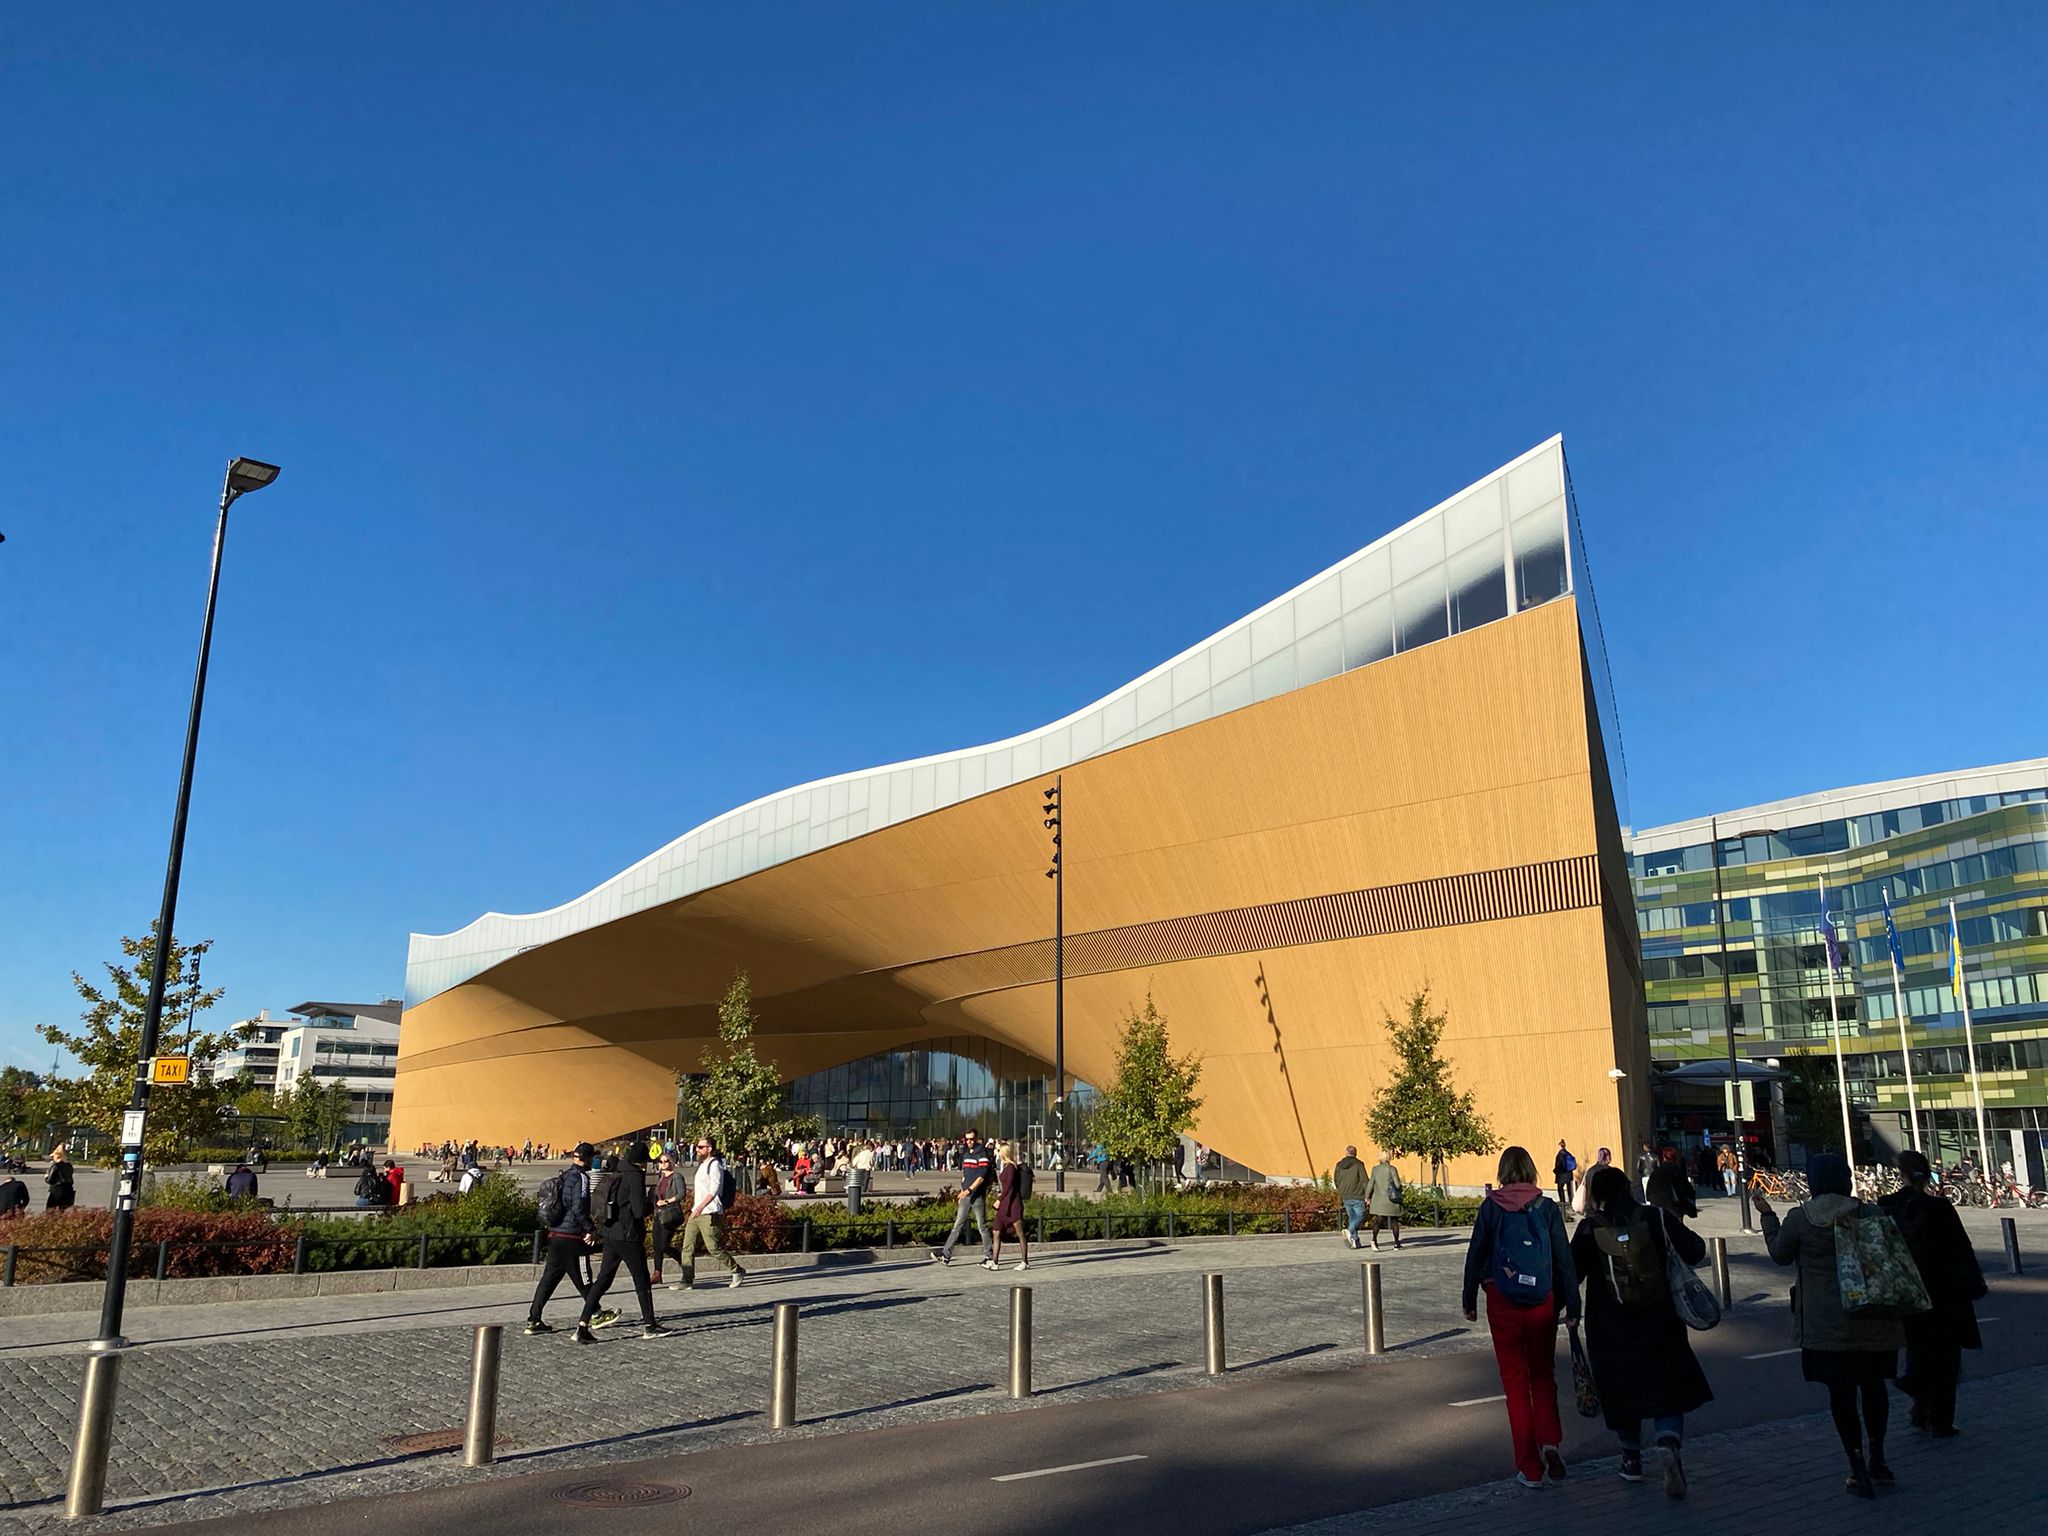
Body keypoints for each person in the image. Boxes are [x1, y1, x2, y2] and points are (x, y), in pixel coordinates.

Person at [1756, 1154, 1905, 1498]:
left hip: (1827, 1324)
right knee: (1874, 1388)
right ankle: (1879, 1458)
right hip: (1873, 1318)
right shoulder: (1871, 1214)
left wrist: (1767, 1215)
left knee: (1841, 1396)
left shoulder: (1802, 1219)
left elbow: (1779, 1254)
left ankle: (1856, 1466)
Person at [1570, 1163, 1712, 1496]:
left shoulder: (1590, 1228)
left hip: (1610, 1326)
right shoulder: (1656, 1218)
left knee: (1620, 1389)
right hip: (1660, 1319)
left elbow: (1572, 1273)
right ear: (1628, 1187)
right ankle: (1668, 1443)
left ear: (1597, 1196)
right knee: (1666, 1386)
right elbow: (1696, 1250)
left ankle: (1631, 1458)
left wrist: (1567, 1311)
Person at [1461, 1146, 1579, 1489]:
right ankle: (1550, 1442)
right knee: (1543, 1374)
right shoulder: (1546, 1207)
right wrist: (1572, 1304)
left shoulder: (1491, 1207)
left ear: (1502, 1172)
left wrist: (1469, 1298)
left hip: (1501, 1297)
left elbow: (1475, 1253)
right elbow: (1563, 1258)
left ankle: (1530, 1467)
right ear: (1530, 1170)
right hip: (1542, 1298)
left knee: (1515, 1382)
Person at [1878, 1150, 1985, 1437]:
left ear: (1900, 1174)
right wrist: (1973, 1283)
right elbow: (1961, 1248)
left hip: (1907, 1293)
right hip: (1945, 1293)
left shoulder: (1887, 1206)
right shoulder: (1941, 1208)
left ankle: (1918, 1399)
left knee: (1918, 1350)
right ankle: (1939, 1419)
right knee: (1946, 1358)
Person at [526, 1143, 620, 1336]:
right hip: (572, 1237)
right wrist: (590, 1229)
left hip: (556, 1235)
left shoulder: (564, 1176)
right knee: (584, 1278)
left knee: (548, 1280)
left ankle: (533, 1319)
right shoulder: (581, 1178)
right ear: (588, 1158)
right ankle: (596, 1314)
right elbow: (578, 1208)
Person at [577, 1141, 667, 1341]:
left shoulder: (617, 1171)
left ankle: (582, 1325)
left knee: (603, 1280)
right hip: (628, 1235)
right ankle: (650, 1325)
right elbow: (638, 1210)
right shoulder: (635, 1176)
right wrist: (651, 1202)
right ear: (641, 1161)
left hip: (610, 1233)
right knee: (641, 1279)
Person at [674, 1135, 747, 1289]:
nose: (697, 1149)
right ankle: (687, 1279)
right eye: (697, 1146)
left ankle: (737, 1270)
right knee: (687, 1246)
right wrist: (695, 1208)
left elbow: (714, 1189)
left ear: (709, 1149)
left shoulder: (715, 1165)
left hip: (710, 1212)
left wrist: (701, 1206)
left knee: (713, 1247)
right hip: (696, 1212)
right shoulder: (702, 1165)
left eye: (701, 1147)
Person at [932, 1128, 996, 1266]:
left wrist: (968, 1190)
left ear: (976, 1138)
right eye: (967, 1139)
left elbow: (981, 1177)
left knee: (982, 1226)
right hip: (965, 1196)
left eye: (971, 1139)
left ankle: (989, 1256)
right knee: (957, 1226)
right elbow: (965, 1175)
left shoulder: (982, 1153)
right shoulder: (966, 1154)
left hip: (977, 1196)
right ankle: (946, 1255)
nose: (969, 1141)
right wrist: (962, 1190)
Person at [987, 1140, 1031, 1271]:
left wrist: (999, 1199)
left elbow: (1009, 1187)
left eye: (999, 1150)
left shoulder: (1011, 1167)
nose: (997, 1152)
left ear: (1003, 1152)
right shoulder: (1005, 1166)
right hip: (1004, 1205)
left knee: (1019, 1232)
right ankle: (995, 1261)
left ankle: (1025, 1261)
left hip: (1013, 1204)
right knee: (996, 1231)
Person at [1644, 1146, 1698, 1219]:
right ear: (1675, 1157)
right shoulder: (1677, 1170)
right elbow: (1685, 1189)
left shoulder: (1656, 1172)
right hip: (1674, 1207)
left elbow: (1648, 1192)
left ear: (1664, 1157)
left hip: (1657, 1207)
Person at [1333, 1146, 1370, 1249]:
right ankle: (1350, 1230)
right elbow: (1364, 1180)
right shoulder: (1359, 1164)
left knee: (1352, 1217)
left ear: (1346, 1153)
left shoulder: (1339, 1165)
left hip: (1345, 1194)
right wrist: (1368, 1195)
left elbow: (1336, 1179)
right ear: (1355, 1153)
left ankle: (1354, 1241)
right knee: (1361, 1215)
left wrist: (1340, 1189)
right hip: (1357, 1194)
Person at [1366, 1151, 1404, 1250]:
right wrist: (1401, 1188)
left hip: (1378, 1199)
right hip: (1391, 1199)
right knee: (1394, 1221)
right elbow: (1397, 1185)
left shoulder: (1375, 1169)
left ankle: (1374, 1240)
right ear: (1389, 1158)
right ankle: (1396, 1243)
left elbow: (1370, 1184)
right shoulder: (1392, 1169)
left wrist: (1367, 1197)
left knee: (1378, 1221)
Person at [1573, 1147, 1613, 1215]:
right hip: (1605, 1205)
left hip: (1592, 1205)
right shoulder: (1610, 1171)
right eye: (1608, 1155)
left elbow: (1587, 1188)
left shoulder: (1591, 1171)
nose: (1610, 1158)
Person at [44, 1145, 75, 1211]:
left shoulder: (55, 1166)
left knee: (50, 1209)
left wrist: (46, 1177)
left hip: (56, 1190)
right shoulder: (69, 1166)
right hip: (68, 1189)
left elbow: (50, 1180)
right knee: (63, 1209)